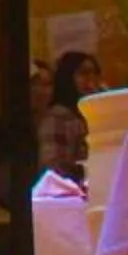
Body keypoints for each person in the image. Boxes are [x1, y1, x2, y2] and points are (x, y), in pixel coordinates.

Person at [40, 50, 105, 180]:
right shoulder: (59, 117)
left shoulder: (99, 114)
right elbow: (53, 167)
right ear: (68, 78)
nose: (91, 79)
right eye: (84, 73)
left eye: (95, 73)